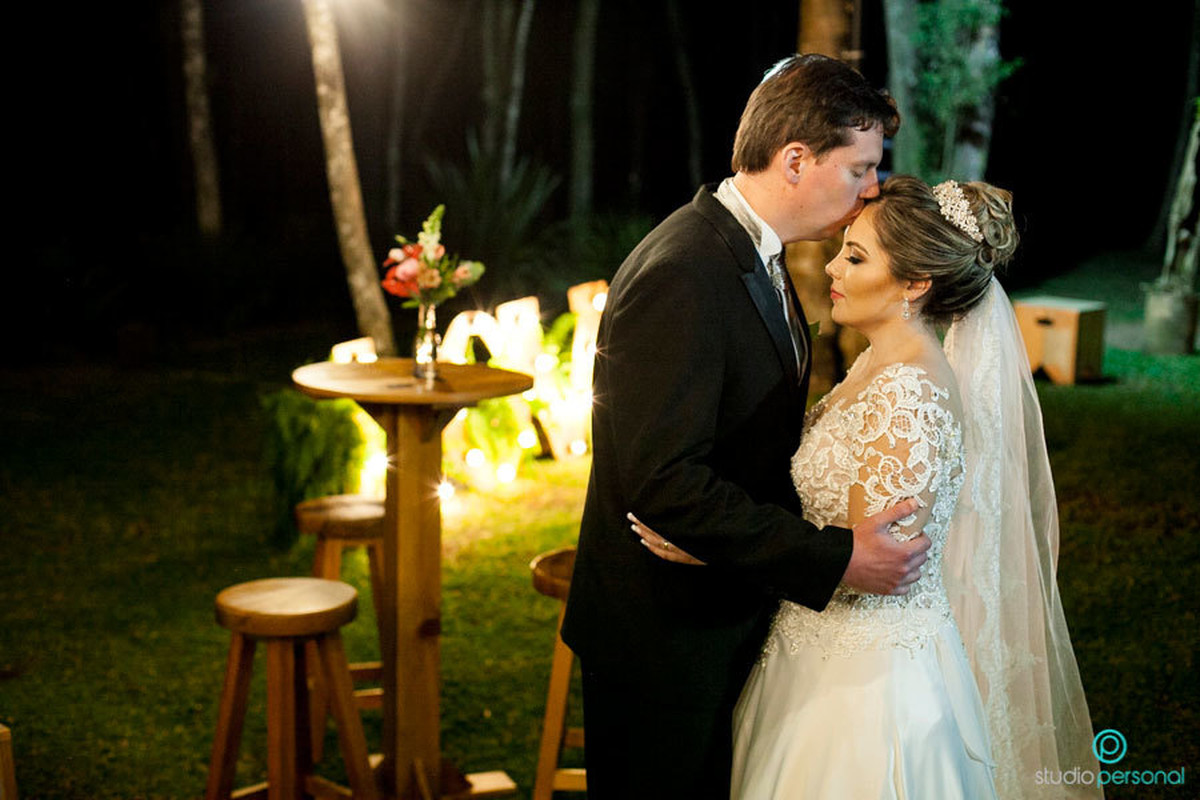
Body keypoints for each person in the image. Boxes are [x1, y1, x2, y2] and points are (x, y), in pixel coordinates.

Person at [635, 175, 1103, 798]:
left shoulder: (909, 394)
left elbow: (869, 566)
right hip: (813, 650)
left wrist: (719, 549)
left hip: (864, 685)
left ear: (915, 283)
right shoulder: (877, 363)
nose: (832, 266)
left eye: (855, 257)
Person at [560, 54, 931, 799]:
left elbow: (748, 450)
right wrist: (834, 558)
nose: (871, 187)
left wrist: (726, 547)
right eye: (859, 168)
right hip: (664, 646)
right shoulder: (685, 270)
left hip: (718, 619)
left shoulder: (752, 254)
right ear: (795, 160)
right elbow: (665, 483)